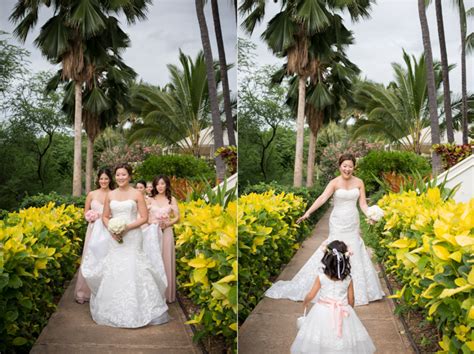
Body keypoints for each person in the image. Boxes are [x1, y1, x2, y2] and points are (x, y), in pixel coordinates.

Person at [266, 153, 384, 306]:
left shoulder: (359, 182)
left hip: (352, 221)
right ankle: (330, 284)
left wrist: (371, 215)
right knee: (334, 249)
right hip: (337, 222)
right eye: (345, 166)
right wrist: (307, 213)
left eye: (350, 166)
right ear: (340, 166)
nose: (347, 169)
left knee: (353, 249)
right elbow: (322, 198)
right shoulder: (334, 182)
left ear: (354, 167)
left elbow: (362, 204)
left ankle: (357, 291)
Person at [81, 163, 169, 327]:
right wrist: (112, 229)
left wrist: (126, 228)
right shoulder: (111, 195)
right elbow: (105, 216)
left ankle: (140, 309)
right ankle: (112, 309)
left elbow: (144, 217)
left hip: (133, 235)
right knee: (115, 267)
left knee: (134, 266)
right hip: (114, 237)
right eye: (118, 175)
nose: (120, 177)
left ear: (129, 176)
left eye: (123, 175)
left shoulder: (137, 194)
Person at [291, 240, 376, 353]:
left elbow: (311, 294)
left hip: (322, 311)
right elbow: (351, 299)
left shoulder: (321, 277)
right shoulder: (348, 279)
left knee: (321, 336)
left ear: (327, 258)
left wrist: (305, 301)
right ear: (345, 259)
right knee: (343, 338)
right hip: (342, 309)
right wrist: (349, 309)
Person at [75, 167, 115, 304]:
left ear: (110, 180)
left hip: (108, 230)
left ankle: (106, 292)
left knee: (106, 258)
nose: (103, 181)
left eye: (106, 178)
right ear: (98, 180)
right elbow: (85, 212)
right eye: (101, 178)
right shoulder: (91, 194)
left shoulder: (114, 194)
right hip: (93, 230)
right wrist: (91, 217)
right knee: (90, 257)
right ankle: (85, 292)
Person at [148, 175, 180, 303]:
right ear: (154, 186)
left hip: (167, 231)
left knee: (166, 259)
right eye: (157, 184)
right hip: (153, 232)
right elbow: (144, 216)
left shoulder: (171, 199)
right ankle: (153, 294)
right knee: (153, 261)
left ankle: (167, 294)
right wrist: (154, 223)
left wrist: (168, 223)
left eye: (162, 183)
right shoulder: (149, 199)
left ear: (166, 185)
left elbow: (177, 217)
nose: (160, 186)